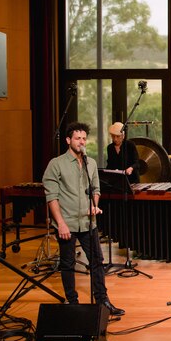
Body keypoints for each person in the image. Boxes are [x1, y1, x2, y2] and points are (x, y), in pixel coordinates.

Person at [43, 122, 124, 316]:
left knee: (97, 262)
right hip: (67, 223)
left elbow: (96, 189)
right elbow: (51, 196)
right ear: (68, 140)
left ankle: (103, 301)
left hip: (89, 223)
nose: (82, 142)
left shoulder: (91, 163)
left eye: (84, 138)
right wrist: (61, 224)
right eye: (78, 138)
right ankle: (73, 304)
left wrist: (94, 205)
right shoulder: (56, 164)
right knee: (68, 264)